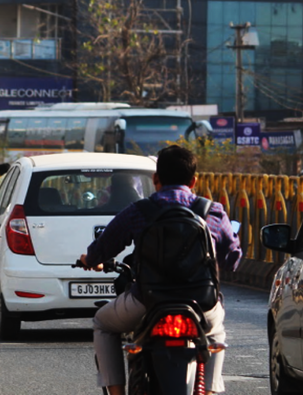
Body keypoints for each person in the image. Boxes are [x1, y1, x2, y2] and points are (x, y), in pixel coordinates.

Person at [79, 145, 241, 395]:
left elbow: (103, 248)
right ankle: (207, 392)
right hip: (202, 303)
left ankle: (117, 393)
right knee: (216, 332)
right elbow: (232, 258)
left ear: (156, 179)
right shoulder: (212, 212)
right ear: (194, 180)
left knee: (103, 323)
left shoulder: (139, 211)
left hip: (147, 301)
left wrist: (90, 260)